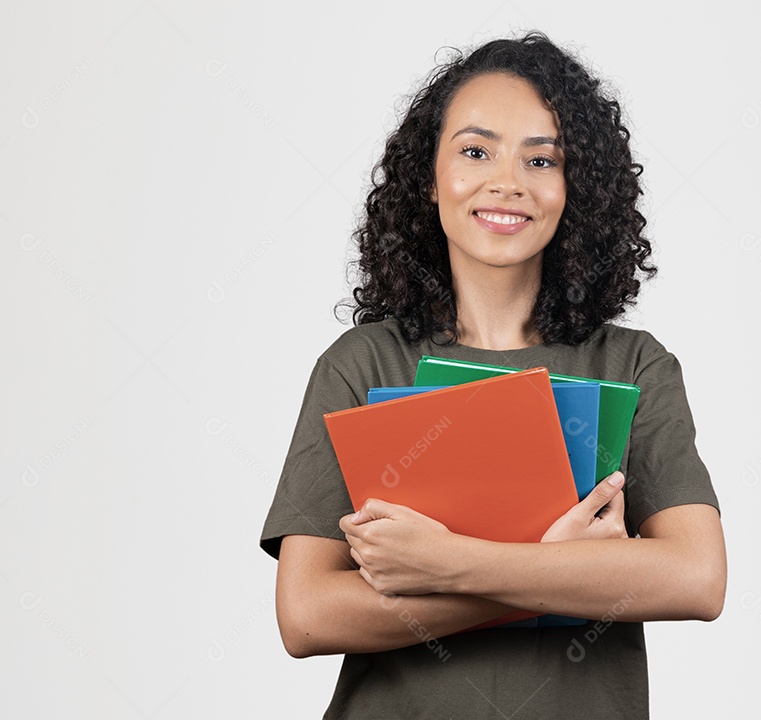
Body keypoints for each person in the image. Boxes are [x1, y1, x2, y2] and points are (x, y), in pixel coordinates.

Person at [260, 30, 726, 719]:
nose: (507, 182)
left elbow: (696, 578)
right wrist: (564, 570)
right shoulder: (361, 364)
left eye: (541, 159)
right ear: (429, 177)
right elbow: (307, 615)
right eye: (476, 151)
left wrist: (444, 564)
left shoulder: (633, 364)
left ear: (574, 188)